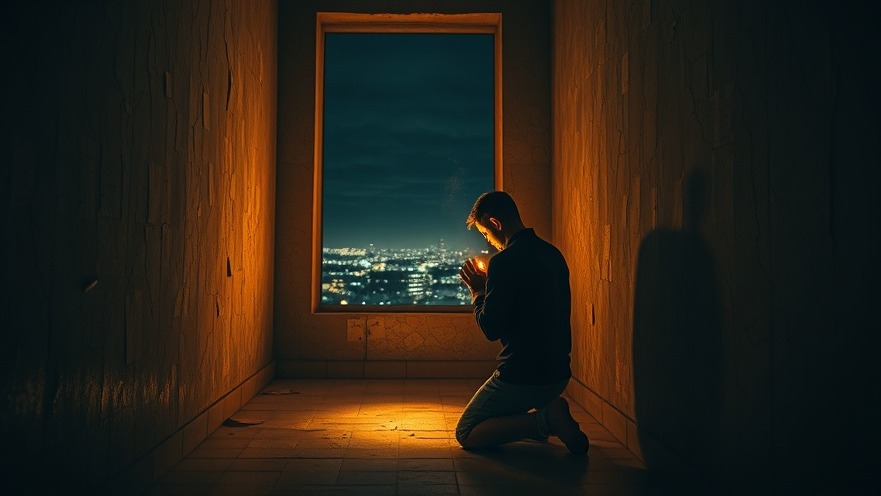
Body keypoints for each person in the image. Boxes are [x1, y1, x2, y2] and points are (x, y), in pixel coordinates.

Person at [456, 191, 589, 455]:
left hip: (524, 377)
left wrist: (478, 292)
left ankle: (545, 420)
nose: (488, 241)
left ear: (495, 223)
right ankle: (545, 411)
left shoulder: (504, 262)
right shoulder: (553, 254)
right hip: (559, 374)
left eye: (485, 233)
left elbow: (490, 329)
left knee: (467, 432)